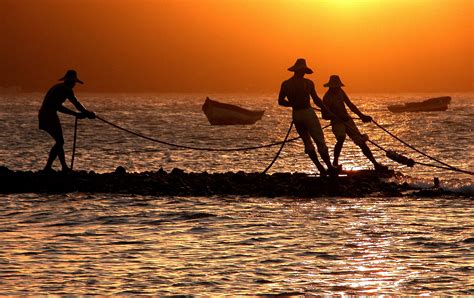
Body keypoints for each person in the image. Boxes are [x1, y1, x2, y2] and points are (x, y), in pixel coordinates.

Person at [278, 58, 337, 177]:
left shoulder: (286, 84)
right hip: (307, 112)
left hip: (296, 114)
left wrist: (292, 104)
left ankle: (320, 168)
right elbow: (316, 99)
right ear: (303, 70)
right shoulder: (308, 83)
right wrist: (326, 110)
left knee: (307, 143)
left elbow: (281, 101)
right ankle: (329, 168)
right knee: (320, 140)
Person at [322, 75, 387, 171]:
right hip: (337, 122)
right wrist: (338, 117)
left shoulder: (341, 92)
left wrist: (362, 116)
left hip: (348, 120)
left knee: (361, 142)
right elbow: (324, 116)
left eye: (338, 86)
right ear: (331, 87)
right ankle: (335, 163)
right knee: (341, 138)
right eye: (336, 87)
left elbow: (350, 105)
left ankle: (375, 164)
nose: (338, 88)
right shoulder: (327, 98)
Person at [38, 70, 95, 172]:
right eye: (73, 82)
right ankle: (49, 167)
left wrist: (85, 113)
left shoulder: (58, 87)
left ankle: (62, 167)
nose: (74, 84)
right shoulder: (65, 89)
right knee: (60, 141)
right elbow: (62, 106)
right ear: (70, 82)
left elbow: (75, 104)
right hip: (48, 115)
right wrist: (80, 113)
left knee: (59, 141)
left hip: (47, 114)